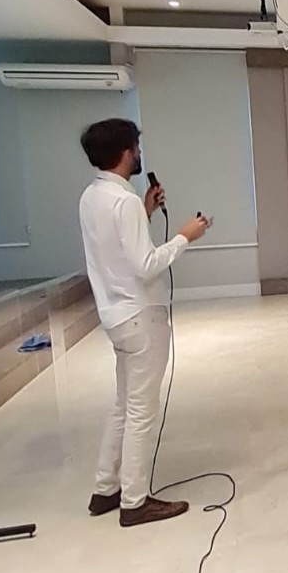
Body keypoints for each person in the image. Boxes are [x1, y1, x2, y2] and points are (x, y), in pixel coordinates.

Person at [78, 118, 209, 527]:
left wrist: (147, 211)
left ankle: (105, 489)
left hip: (115, 315)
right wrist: (185, 236)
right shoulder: (125, 201)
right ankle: (134, 501)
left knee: (123, 405)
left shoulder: (92, 197)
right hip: (141, 316)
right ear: (124, 153)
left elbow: (117, 251)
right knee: (140, 412)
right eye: (136, 147)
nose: (139, 154)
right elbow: (146, 264)